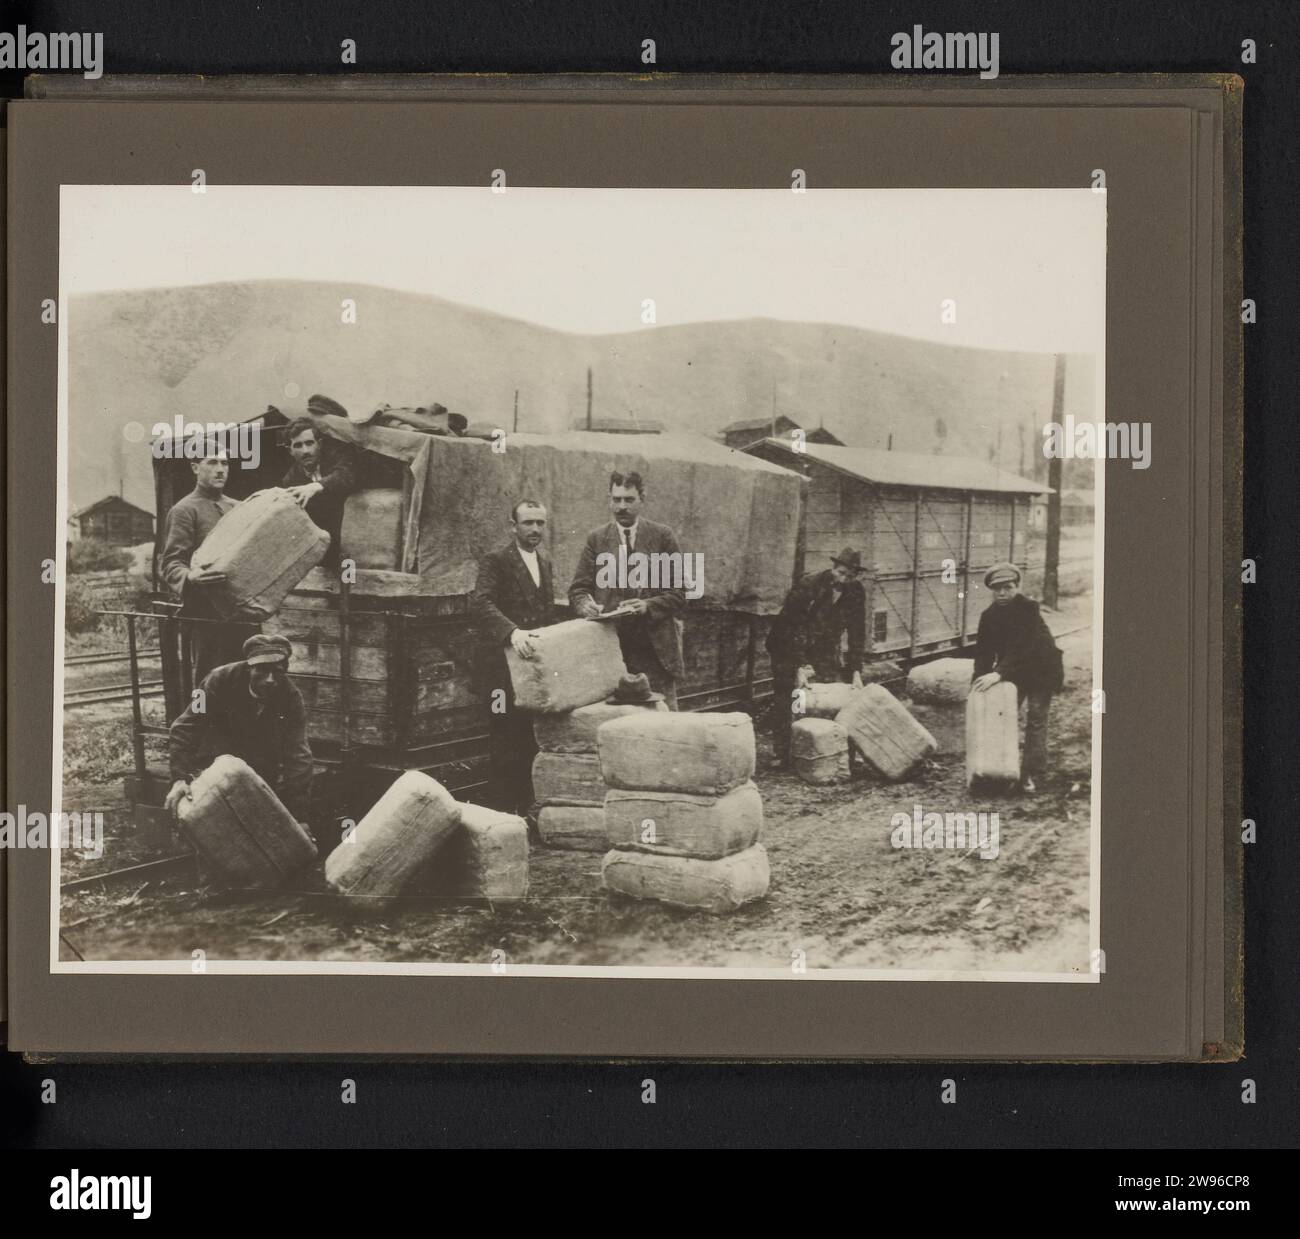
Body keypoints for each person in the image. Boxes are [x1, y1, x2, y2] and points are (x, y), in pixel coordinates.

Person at [164, 633, 314, 830]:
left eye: (276, 672)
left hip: (257, 771)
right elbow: (185, 727)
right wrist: (179, 778)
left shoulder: (291, 698)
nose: (270, 680)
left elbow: (298, 755)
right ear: (249, 666)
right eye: (262, 670)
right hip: (213, 766)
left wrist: (299, 817)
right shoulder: (215, 680)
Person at [568, 470, 685, 710]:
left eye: (629, 500)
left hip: (655, 651)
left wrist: (647, 606)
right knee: (617, 725)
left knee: (666, 723)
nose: (622, 507)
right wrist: (585, 605)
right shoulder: (597, 539)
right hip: (612, 651)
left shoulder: (662, 536)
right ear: (609, 499)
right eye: (616, 499)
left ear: (642, 499)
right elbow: (578, 589)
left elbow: (679, 592)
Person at [471, 500, 556, 814]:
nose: (534, 529)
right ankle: (503, 814)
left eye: (540, 523)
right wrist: (512, 632)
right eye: (527, 523)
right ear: (513, 526)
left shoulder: (544, 562)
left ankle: (526, 807)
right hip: (500, 672)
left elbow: (546, 614)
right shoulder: (496, 560)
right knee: (503, 739)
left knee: (527, 739)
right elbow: (480, 603)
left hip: (530, 670)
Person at [158, 446, 256, 687]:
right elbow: (170, 563)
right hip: (206, 615)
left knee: (247, 678)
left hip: (243, 612)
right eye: (212, 463)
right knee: (210, 681)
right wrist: (190, 577)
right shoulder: (184, 510)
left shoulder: (239, 507)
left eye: (225, 463)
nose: (220, 470)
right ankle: (203, 724)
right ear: (195, 467)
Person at [765, 547, 867, 765]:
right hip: (786, 645)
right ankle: (783, 753)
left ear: (855, 576)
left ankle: (820, 749)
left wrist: (856, 670)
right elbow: (792, 627)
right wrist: (799, 666)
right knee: (791, 697)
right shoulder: (809, 585)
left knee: (823, 695)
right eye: (840, 573)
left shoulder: (856, 591)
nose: (843, 579)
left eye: (849, 576)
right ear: (833, 568)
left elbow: (858, 632)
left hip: (822, 647)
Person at [969, 562, 1065, 793]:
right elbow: (983, 652)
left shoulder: (1029, 608)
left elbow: (1025, 645)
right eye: (997, 589)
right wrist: (977, 684)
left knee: (1036, 718)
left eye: (1008, 587)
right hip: (1016, 672)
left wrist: (998, 673)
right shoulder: (988, 616)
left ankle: (1030, 773)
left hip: (1042, 669)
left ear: (1017, 586)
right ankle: (1001, 771)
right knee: (1004, 718)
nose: (1002, 593)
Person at [280, 417, 360, 569]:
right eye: (298, 445)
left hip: (354, 537)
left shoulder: (336, 457)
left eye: (309, 443)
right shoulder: (290, 481)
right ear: (290, 451)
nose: (305, 451)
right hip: (325, 547)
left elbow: (347, 474)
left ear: (320, 444)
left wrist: (316, 486)